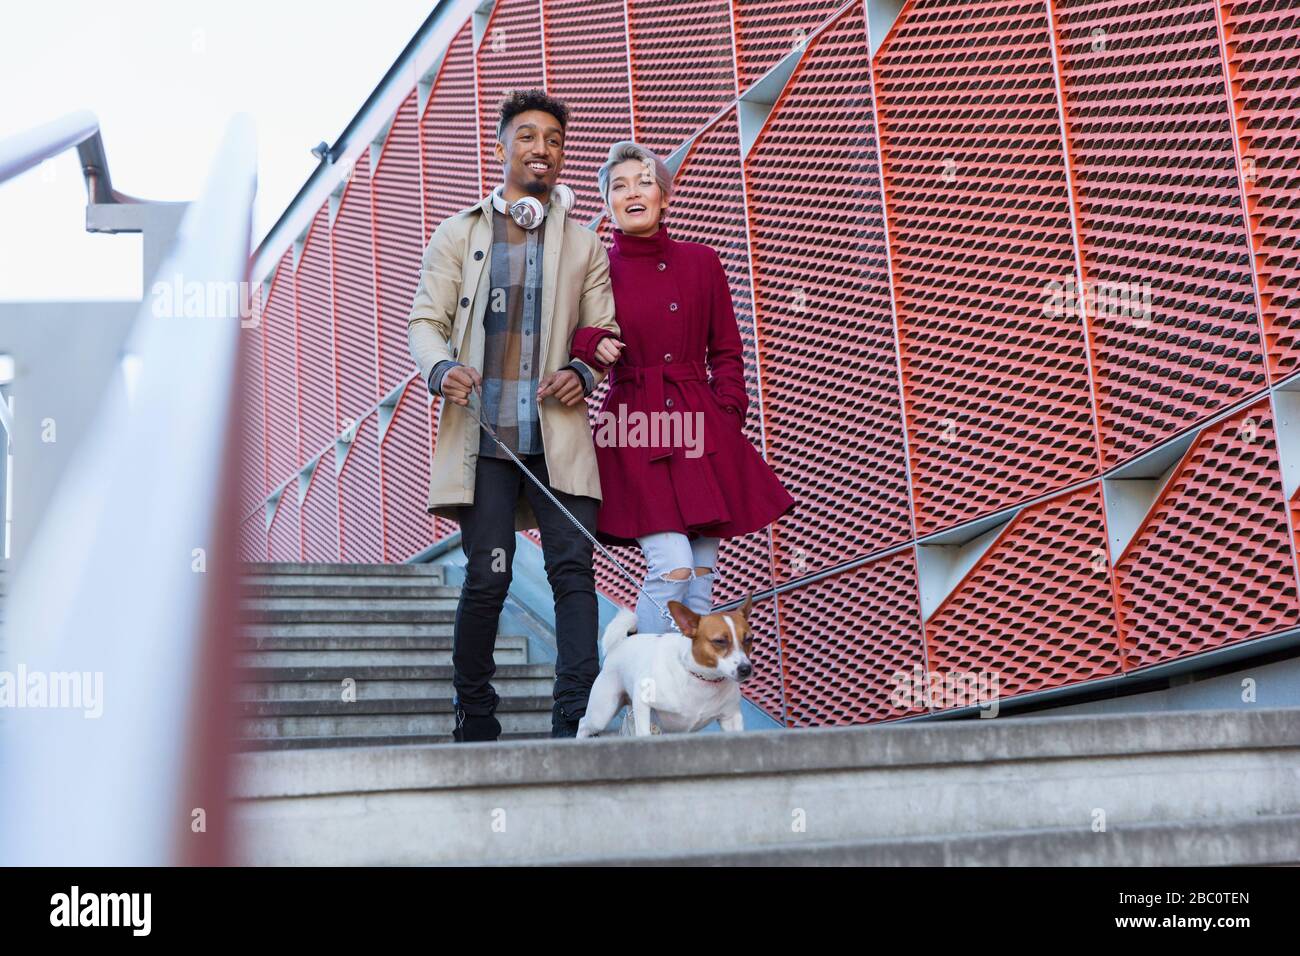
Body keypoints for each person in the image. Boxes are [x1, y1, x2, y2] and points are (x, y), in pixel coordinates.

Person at [406, 90, 620, 741]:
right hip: (485, 439)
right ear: (501, 149)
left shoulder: (585, 245)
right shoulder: (459, 233)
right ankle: (474, 713)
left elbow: (603, 331)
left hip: (554, 440)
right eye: (527, 136)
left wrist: (581, 372)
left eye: (554, 140)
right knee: (489, 575)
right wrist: (443, 370)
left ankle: (573, 718)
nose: (541, 149)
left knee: (572, 572)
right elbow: (425, 322)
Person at [570, 141, 795, 635]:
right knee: (671, 568)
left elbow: (727, 350)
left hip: (702, 423)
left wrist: (730, 411)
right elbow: (567, 333)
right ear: (607, 204)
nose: (632, 193)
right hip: (636, 422)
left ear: (665, 197)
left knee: (699, 580)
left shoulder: (702, 262)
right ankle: (643, 680)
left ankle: (672, 704)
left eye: (644, 182)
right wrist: (591, 342)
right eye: (618, 186)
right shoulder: (595, 271)